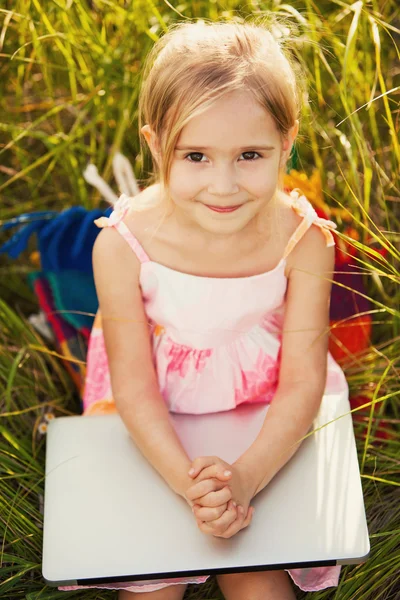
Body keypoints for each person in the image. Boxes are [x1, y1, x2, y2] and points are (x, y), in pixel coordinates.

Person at [59, 18, 349, 599]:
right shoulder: (122, 245)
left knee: (261, 580)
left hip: (263, 409)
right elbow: (133, 386)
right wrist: (189, 485)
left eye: (249, 154)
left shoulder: (305, 241)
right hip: (156, 415)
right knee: (154, 581)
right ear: (155, 144)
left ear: (286, 142)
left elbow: (301, 385)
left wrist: (243, 479)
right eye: (195, 155)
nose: (224, 185)